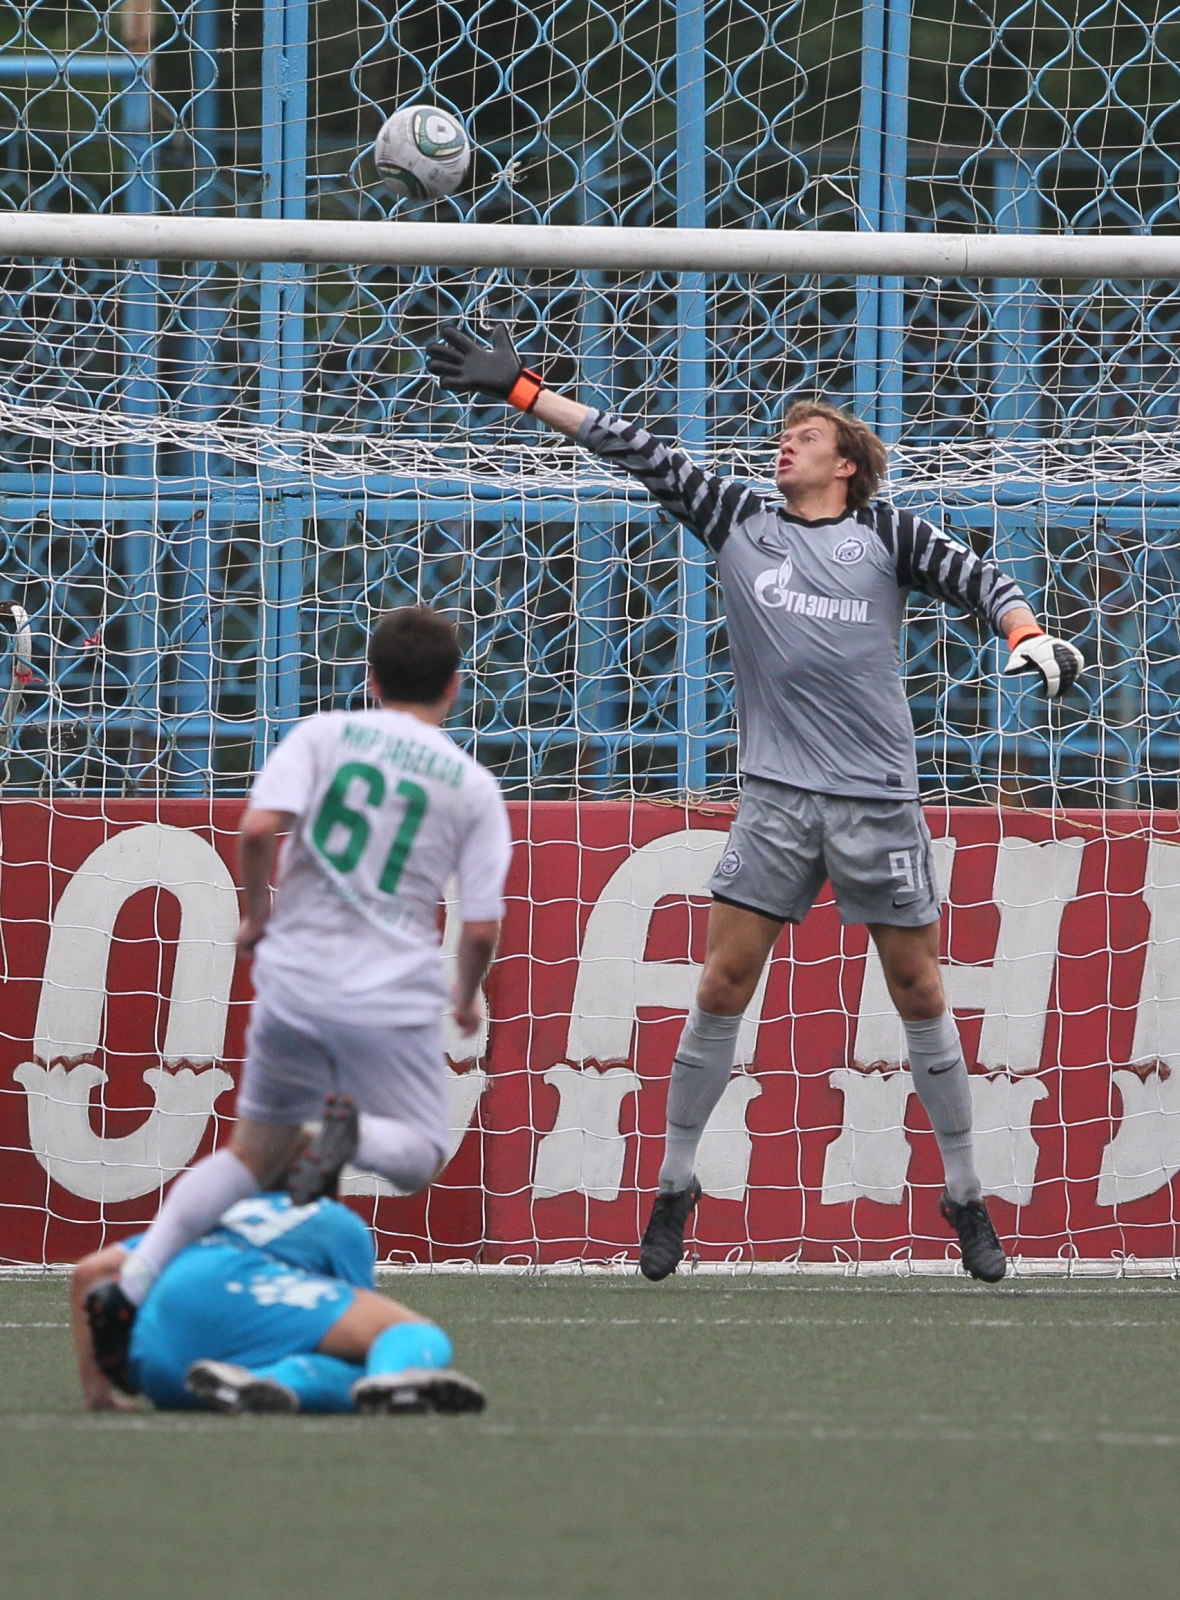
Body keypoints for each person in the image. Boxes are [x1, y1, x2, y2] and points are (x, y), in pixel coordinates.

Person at [424, 324, 1086, 1286]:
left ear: (849, 466)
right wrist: (522, 391)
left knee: (922, 992)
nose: (786, 445)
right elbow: (631, 444)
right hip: (776, 799)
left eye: (807, 438)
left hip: (876, 802)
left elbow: (981, 579)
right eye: (786, 435)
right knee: (721, 985)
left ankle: (963, 1192)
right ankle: (676, 1184)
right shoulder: (737, 517)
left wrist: (1026, 633)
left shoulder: (887, 533)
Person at [86, 605, 512, 1368]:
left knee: (250, 1155)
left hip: (296, 980)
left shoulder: (323, 735)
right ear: (453, 688)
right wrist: (466, 994)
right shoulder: (474, 787)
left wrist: (254, 919)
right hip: (389, 994)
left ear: (371, 679)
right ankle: (332, 1136)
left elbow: (256, 830)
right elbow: (480, 928)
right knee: (418, 1154)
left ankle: (135, 1283)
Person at [72, 1186, 484, 1414]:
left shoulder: (212, 1207)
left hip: (159, 1372)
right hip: (233, 1291)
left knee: (359, 1381)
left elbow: (88, 1272)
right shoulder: (334, 1221)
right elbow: (366, 1335)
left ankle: (267, 1382)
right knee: (402, 1337)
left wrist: (98, 1396)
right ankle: (391, 1375)